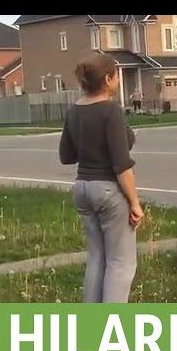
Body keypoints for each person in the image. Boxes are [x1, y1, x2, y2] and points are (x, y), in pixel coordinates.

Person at [59, 53, 144, 303]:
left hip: (83, 189)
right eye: (116, 76)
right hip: (108, 192)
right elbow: (122, 165)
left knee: (97, 259)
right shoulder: (110, 111)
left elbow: (66, 155)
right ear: (108, 79)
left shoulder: (74, 111)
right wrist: (135, 203)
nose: (118, 80)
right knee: (120, 264)